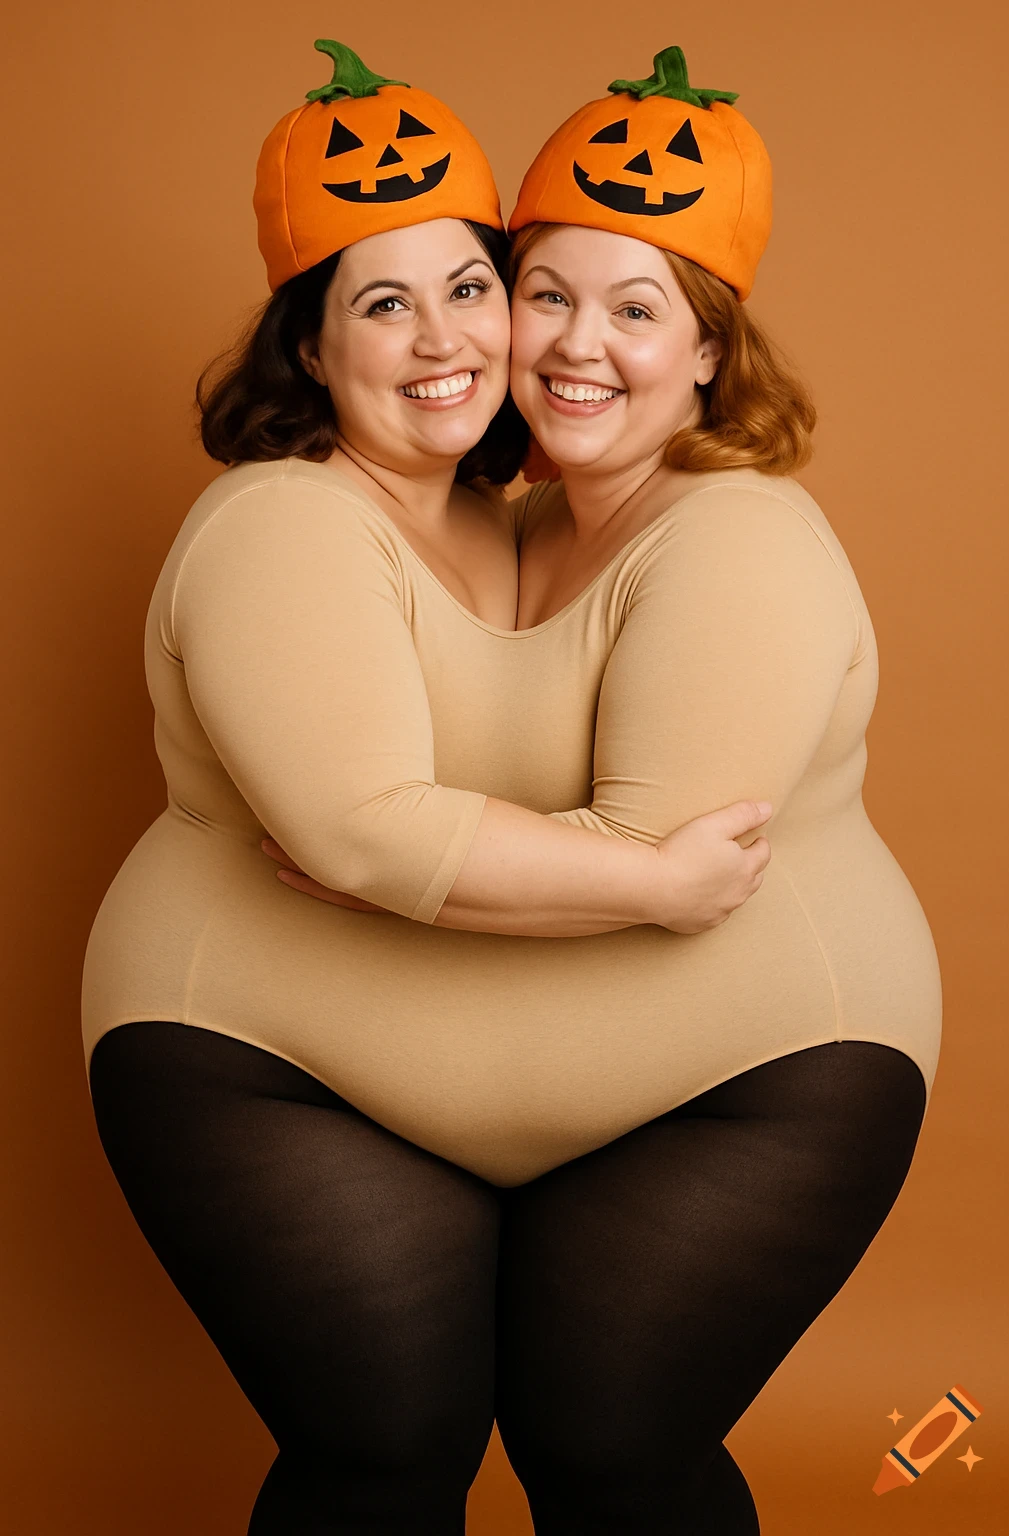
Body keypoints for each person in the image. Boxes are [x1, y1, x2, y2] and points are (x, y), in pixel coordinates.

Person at [82, 40, 775, 1535]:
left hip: (462, 1084)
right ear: (310, 350)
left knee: (590, 1448)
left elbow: (447, 820)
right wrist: (656, 883)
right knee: (387, 1454)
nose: (443, 336)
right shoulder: (282, 519)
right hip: (259, 1060)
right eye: (382, 303)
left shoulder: (506, 519)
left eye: (471, 286)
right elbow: (361, 833)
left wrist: (429, 875)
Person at [259, 45, 943, 1534]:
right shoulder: (523, 526)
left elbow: (657, 856)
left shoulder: (735, 536)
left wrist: (378, 856)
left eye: (638, 310)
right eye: (545, 293)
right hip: (559, 1097)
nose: (578, 344)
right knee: (490, 1447)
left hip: (754, 1083)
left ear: (708, 353)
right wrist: (383, 838)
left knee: (613, 1454)